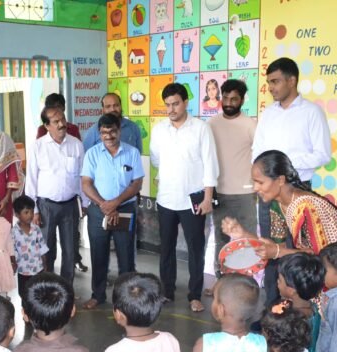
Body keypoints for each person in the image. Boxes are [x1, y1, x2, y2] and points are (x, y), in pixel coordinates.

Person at [250, 57, 331, 303]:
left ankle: (295, 310)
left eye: (275, 81)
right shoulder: (268, 114)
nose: (271, 87)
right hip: (268, 193)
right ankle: (272, 307)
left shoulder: (312, 112)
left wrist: (284, 163)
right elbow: (257, 151)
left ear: (292, 80)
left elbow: (322, 154)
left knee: (296, 252)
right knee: (270, 249)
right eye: (269, 82)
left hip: (298, 192)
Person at [150, 82, 220, 312]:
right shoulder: (159, 129)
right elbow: (156, 160)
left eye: (176, 103)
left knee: (195, 249)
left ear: (185, 103)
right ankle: (166, 291)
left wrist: (208, 197)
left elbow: (210, 164)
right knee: (166, 249)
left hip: (194, 200)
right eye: (168, 105)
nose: (171, 109)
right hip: (166, 199)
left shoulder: (201, 128)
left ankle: (194, 294)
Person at [222, 151, 337, 270]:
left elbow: (320, 257)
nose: (255, 188)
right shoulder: (277, 203)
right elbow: (277, 247)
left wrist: (277, 252)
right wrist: (244, 235)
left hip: (336, 278)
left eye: (260, 183)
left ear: (280, 180)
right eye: (254, 182)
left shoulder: (307, 206)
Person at [81, 114, 144, 309]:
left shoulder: (132, 153)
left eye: (112, 131)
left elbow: (137, 183)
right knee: (98, 256)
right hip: (98, 211)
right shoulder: (92, 153)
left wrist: (115, 203)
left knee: (126, 257)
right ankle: (97, 295)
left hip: (124, 209)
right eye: (103, 132)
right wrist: (104, 204)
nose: (108, 135)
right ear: (99, 133)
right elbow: (86, 183)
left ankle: (126, 299)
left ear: (119, 130)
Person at [25, 105, 86, 284]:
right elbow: (31, 180)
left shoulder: (76, 144)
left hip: (70, 205)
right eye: (56, 121)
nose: (61, 124)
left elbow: (83, 176)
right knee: (46, 249)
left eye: (63, 120)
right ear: (46, 125)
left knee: (70, 248)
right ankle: (48, 286)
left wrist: (85, 202)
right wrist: (34, 209)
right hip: (45, 206)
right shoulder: (38, 146)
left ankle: (67, 288)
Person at [207, 79, 258, 276]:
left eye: (234, 99)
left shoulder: (250, 124)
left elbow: (260, 156)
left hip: (245, 193)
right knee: (221, 239)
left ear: (242, 100)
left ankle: (246, 282)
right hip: (219, 193)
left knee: (246, 241)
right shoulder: (211, 123)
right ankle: (221, 280)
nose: (228, 103)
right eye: (225, 98)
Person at [12, 196, 49, 312]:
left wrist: (45, 264)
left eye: (32, 212)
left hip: (38, 268)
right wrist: (13, 264)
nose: (30, 215)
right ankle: (26, 312)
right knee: (23, 293)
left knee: (38, 292)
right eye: (26, 212)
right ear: (17, 214)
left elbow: (42, 247)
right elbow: (12, 251)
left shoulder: (36, 229)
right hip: (23, 270)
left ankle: (36, 312)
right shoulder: (14, 232)